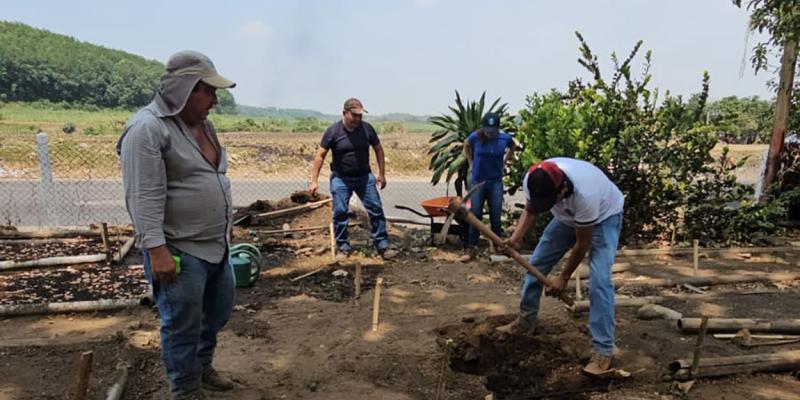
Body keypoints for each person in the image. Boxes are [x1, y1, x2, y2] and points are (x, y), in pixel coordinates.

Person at [118, 50, 237, 400]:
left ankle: (201, 368)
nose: (215, 100)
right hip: (178, 250)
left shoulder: (203, 126)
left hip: (215, 245)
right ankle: (185, 389)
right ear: (185, 88)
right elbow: (142, 196)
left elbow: (212, 178)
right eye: (209, 92)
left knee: (215, 314)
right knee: (181, 324)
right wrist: (156, 249)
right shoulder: (147, 128)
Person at [499, 158, 624, 377]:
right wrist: (516, 238)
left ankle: (603, 351)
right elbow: (531, 209)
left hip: (604, 217)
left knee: (599, 280)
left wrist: (563, 277)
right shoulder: (533, 178)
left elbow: (582, 244)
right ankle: (525, 322)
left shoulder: (586, 194)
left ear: (563, 187)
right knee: (535, 265)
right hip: (566, 218)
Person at [309, 98, 397, 260]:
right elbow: (320, 156)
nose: (358, 119)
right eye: (355, 115)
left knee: (376, 209)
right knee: (341, 212)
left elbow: (379, 149)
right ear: (345, 113)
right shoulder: (333, 131)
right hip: (340, 178)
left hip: (364, 177)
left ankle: (382, 245)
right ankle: (342, 246)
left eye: (360, 115)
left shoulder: (367, 129)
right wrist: (314, 181)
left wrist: (381, 174)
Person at [463, 112, 515, 257]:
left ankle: (497, 246)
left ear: (498, 129)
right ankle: (471, 247)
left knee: (495, 215)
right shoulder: (476, 137)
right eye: (488, 131)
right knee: (475, 214)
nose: (490, 134)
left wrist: (506, 162)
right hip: (478, 181)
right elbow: (466, 144)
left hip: (495, 182)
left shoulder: (505, 138)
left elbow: (513, 146)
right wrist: (470, 163)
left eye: (493, 131)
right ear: (483, 128)